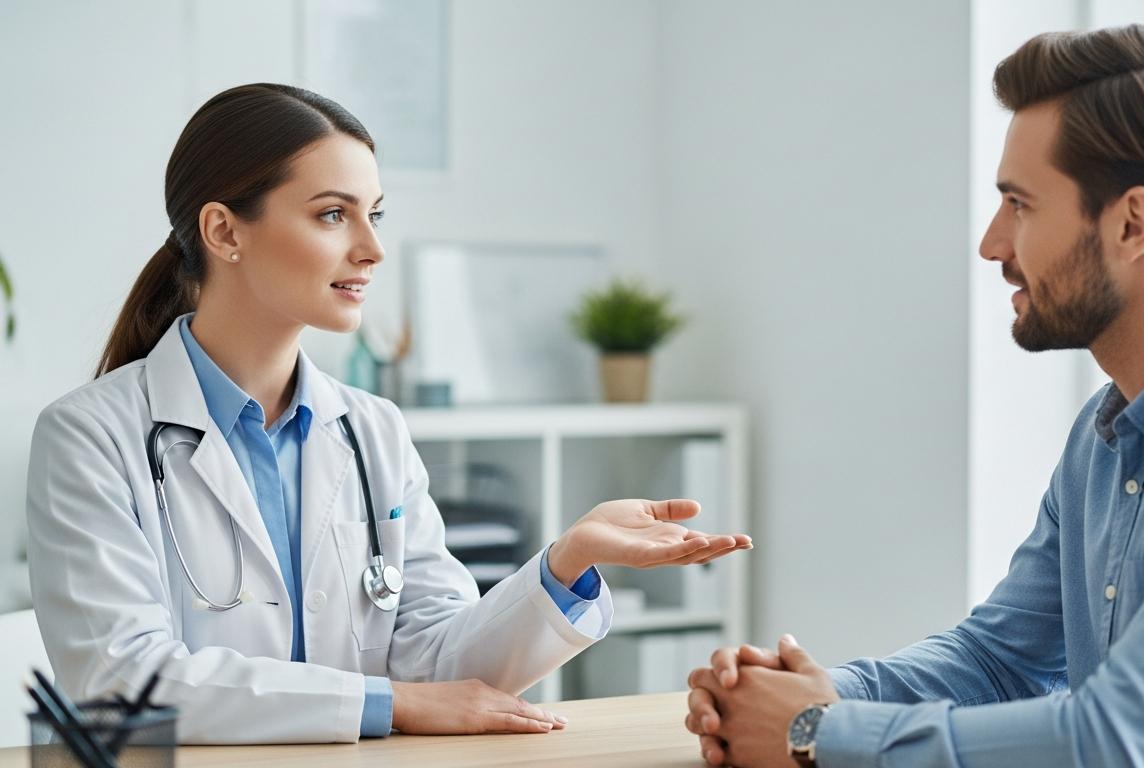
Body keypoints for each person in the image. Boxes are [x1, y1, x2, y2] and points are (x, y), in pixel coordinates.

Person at [685, 23, 1144, 768]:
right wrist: (802, 696)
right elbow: (1001, 662)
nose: (992, 244)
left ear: (1132, 223)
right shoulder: (1109, 431)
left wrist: (816, 734)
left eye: (1020, 205)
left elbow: (1132, 742)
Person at [26, 83, 751, 745]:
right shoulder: (91, 436)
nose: (372, 249)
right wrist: (390, 704)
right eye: (333, 215)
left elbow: (441, 662)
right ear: (224, 232)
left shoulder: (372, 430)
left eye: (373, 215)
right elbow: (122, 682)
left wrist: (570, 560)